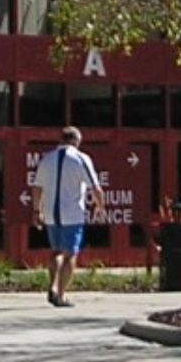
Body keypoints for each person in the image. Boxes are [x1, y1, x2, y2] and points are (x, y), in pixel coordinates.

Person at [31, 126, 105, 307]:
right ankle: (61, 295)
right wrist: (100, 206)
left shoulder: (47, 159)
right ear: (77, 141)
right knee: (71, 253)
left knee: (56, 251)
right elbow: (95, 187)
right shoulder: (80, 158)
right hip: (72, 213)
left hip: (50, 213)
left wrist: (36, 210)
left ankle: (53, 285)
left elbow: (37, 187)